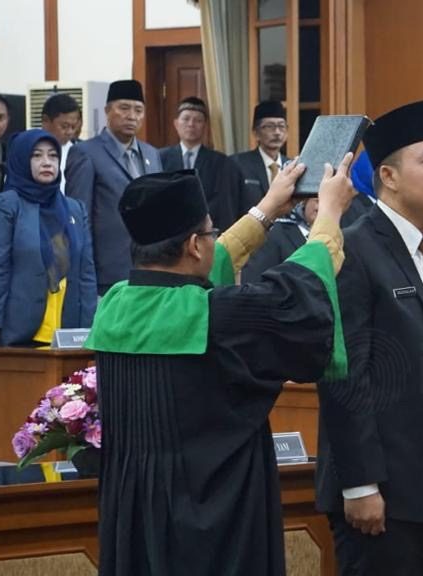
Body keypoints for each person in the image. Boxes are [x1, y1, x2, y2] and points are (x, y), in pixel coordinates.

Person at [88, 154, 354, 576]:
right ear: (195, 245)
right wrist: (329, 216)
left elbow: (211, 265)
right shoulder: (220, 315)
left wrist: (267, 209)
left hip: (136, 509)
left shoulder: (116, 304)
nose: (215, 241)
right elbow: (298, 292)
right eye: (209, 232)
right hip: (213, 512)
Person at [315, 99, 423, 576]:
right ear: (389, 176)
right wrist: (360, 485)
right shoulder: (351, 250)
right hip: (381, 493)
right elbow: (344, 376)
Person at [0, 130, 96, 347]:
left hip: (69, 333)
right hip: (20, 332)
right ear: (21, 160)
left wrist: (90, 330)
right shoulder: (5, 205)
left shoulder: (75, 209)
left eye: (53, 155)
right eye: (37, 155)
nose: (47, 162)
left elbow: (86, 274)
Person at [65, 79, 162, 295]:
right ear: (107, 110)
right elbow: (79, 219)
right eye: (124, 108)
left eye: (138, 110)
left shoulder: (152, 154)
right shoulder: (86, 153)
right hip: (106, 274)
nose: (131, 116)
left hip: (150, 270)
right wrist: (85, 275)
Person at [160, 97, 254, 231]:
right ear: (176, 123)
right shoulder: (160, 158)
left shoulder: (222, 163)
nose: (191, 124)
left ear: (205, 125)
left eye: (198, 120)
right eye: (186, 119)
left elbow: (225, 205)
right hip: (169, 231)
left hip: (207, 231)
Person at [240, 197, 318, 282]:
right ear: (304, 202)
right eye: (317, 201)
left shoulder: (329, 240)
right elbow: (254, 278)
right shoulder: (276, 234)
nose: (324, 208)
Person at [231, 101, 288, 201]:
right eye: (270, 126)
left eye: (281, 126)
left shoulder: (292, 166)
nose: (277, 132)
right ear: (256, 133)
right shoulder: (237, 164)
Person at [40, 93, 81, 193]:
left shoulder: (79, 151)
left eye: (73, 127)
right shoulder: (27, 147)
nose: (70, 132)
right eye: (64, 126)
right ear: (46, 121)